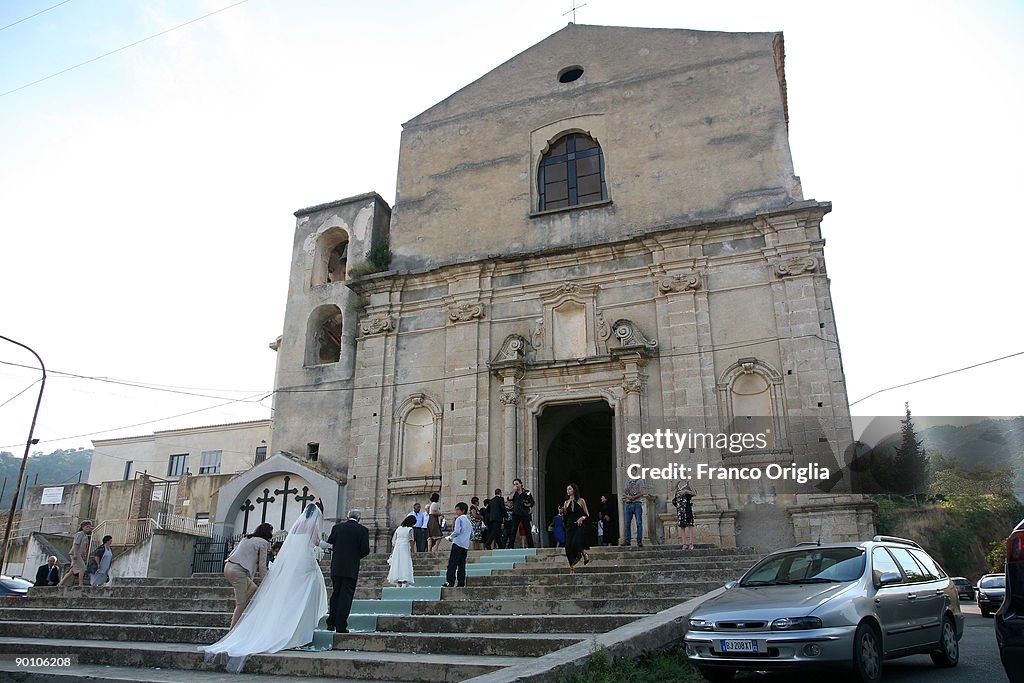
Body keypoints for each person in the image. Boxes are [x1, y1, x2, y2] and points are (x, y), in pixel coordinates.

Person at [203, 504, 328, 673]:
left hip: (292, 565)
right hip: (305, 563)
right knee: (305, 592)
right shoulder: (309, 527)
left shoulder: (296, 525)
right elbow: (315, 542)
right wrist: (330, 545)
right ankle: (298, 630)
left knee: (295, 594)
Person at [324, 509, 370, 633]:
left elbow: (330, 542)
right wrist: (354, 557)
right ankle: (341, 625)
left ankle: (330, 622)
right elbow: (365, 550)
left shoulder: (337, 528)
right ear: (359, 519)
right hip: (351, 567)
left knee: (335, 594)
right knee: (346, 596)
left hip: (337, 566)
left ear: (347, 516)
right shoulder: (363, 530)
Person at [223, 522, 273, 628]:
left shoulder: (246, 538)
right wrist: (267, 581)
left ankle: (243, 603)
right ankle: (232, 631)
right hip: (239, 571)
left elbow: (232, 553)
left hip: (228, 567)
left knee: (253, 587)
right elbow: (262, 566)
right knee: (240, 604)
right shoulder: (263, 542)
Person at [563, 483, 591, 573]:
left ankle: (583, 553)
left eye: (570, 489)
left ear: (574, 490)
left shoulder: (581, 501)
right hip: (569, 526)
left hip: (579, 525)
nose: (568, 491)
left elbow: (587, 514)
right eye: (567, 489)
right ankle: (571, 567)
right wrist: (562, 512)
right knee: (567, 546)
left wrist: (582, 518)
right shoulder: (566, 503)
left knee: (576, 542)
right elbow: (565, 516)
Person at [443, 502, 471, 588]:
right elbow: (472, 534)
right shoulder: (468, 521)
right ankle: (461, 583)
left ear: (463, 510)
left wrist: (450, 537)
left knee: (452, 564)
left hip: (458, 543)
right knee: (461, 565)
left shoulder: (459, 519)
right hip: (465, 545)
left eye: (458, 510)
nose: (456, 512)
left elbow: (457, 531)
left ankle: (450, 582)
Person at [58, 520, 92, 587]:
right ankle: (80, 584)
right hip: (75, 553)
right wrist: (75, 554)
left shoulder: (85, 536)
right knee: (82, 568)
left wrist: (83, 553)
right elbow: (75, 544)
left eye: (89, 527)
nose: (88, 529)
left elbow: (84, 546)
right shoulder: (80, 534)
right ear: (83, 527)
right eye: (87, 527)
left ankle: (61, 583)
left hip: (78, 554)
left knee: (72, 571)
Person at [387, 515, 416, 587]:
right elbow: (411, 540)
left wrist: (393, 551)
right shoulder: (410, 529)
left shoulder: (398, 529)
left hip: (397, 547)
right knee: (405, 563)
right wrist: (412, 550)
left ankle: (398, 581)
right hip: (405, 547)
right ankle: (404, 580)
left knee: (398, 563)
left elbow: (394, 541)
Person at [506, 478, 534, 549]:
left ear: (521, 484)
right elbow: (509, 498)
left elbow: (532, 502)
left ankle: (531, 546)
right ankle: (510, 546)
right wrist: (513, 491)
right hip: (516, 514)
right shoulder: (514, 493)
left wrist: (528, 505)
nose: (516, 485)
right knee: (513, 530)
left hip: (524, 514)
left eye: (517, 484)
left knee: (527, 530)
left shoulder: (527, 492)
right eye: (514, 484)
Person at [673, 480, 697, 549]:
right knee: (682, 525)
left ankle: (691, 543)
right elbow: (671, 489)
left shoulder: (688, 483)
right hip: (680, 506)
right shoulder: (678, 483)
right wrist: (671, 480)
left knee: (689, 524)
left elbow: (694, 493)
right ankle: (684, 543)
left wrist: (686, 491)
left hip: (687, 505)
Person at [622, 477, 645, 547]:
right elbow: (623, 492)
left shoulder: (640, 481)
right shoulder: (627, 481)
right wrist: (628, 497)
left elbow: (643, 492)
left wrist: (635, 497)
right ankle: (627, 541)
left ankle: (639, 541)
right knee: (627, 524)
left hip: (637, 503)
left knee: (639, 523)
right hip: (628, 503)